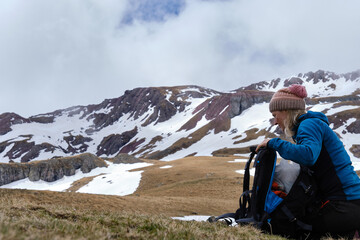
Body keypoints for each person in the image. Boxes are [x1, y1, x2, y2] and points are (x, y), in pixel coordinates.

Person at [256, 84, 360, 238]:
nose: (275, 122)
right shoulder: (310, 125)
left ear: (286, 110)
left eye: (275, 115)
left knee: (294, 226)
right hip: (348, 203)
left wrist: (273, 143)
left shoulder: (308, 124)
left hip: (343, 204)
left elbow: (308, 155)